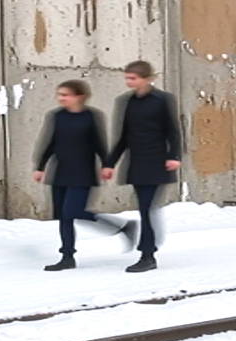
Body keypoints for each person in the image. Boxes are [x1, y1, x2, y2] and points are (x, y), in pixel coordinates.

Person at [30, 80, 127, 270]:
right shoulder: (56, 116)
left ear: (79, 96)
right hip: (60, 171)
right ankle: (67, 257)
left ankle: (120, 227)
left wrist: (107, 164)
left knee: (72, 211)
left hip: (83, 172)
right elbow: (49, 142)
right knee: (63, 216)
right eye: (59, 94)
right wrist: (40, 166)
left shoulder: (91, 116)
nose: (61, 98)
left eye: (65, 95)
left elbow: (99, 142)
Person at [104, 60, 183, 272]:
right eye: (127, 78)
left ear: (147, 78)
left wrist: (173, 155)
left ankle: (148, 255)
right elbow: (123, 137)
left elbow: (173, 131)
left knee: (147, 208)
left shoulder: (163, 100)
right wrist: (110, 163)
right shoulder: (125, 101)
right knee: (145, 208)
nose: (128, 82)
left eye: (133, 78)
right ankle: (149, 246)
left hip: (157, 161)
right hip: (136, 161)